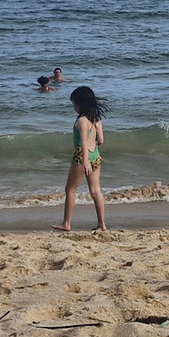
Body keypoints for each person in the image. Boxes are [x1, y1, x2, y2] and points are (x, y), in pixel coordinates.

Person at [53, 86, 108, 233]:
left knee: (70, 189)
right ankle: (101, 224)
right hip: (95, 154)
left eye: (74, 104)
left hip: (81, 156)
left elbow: (83, 142)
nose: (74, 107)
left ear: (80, 104)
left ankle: (66, 223)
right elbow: (101, 140)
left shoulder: (82, 121)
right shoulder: (96, 119)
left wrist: (85, 161)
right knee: (96, 190)